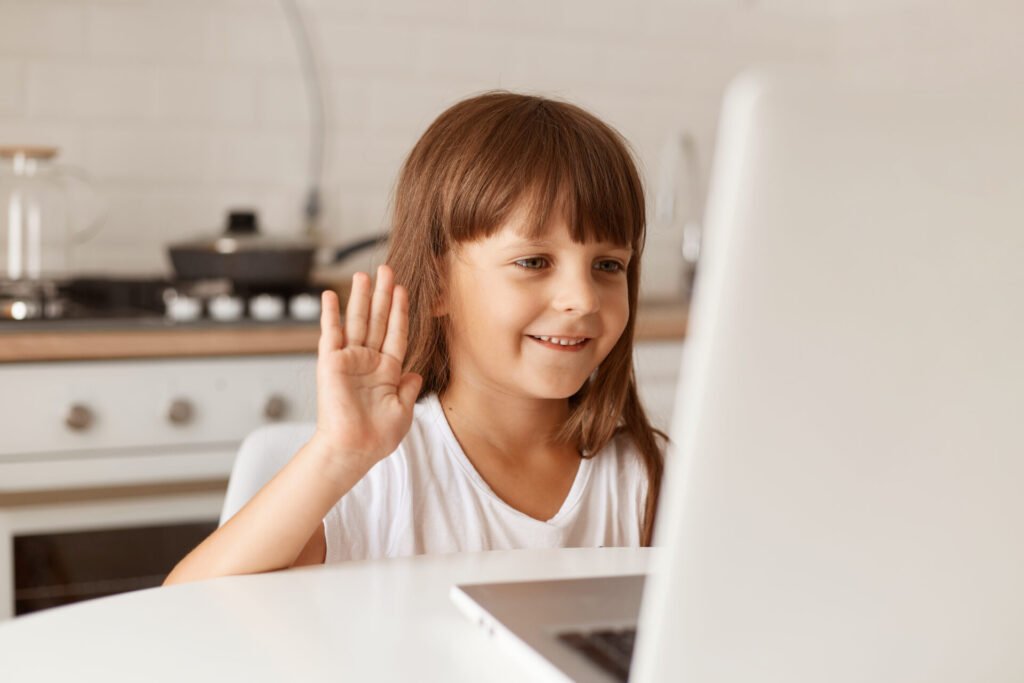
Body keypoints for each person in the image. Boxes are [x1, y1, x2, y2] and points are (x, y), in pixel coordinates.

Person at [164, 92, 667, 584]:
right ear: (438, 284)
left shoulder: (648, 477)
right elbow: (187, 609)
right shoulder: (378, 475)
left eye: (608, 265)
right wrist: (337, 455)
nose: (583, 298)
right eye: (533, 262)